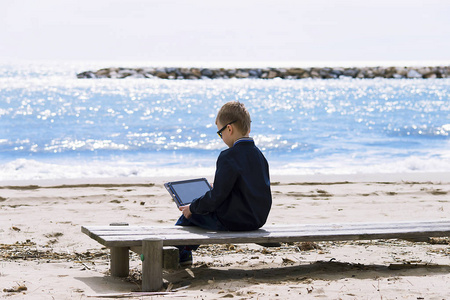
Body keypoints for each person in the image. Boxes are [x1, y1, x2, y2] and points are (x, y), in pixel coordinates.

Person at [175, 101, 272, 264]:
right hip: (258, 218)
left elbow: (215, 199)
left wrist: (192, 207)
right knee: (200, 207)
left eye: (220, 133)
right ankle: (184, 250)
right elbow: (252, 187)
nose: (221, 138)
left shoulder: (228, 156)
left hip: (235, 221)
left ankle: (181, 255)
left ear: (229, 129)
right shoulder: (259, 155)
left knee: (190, 216)